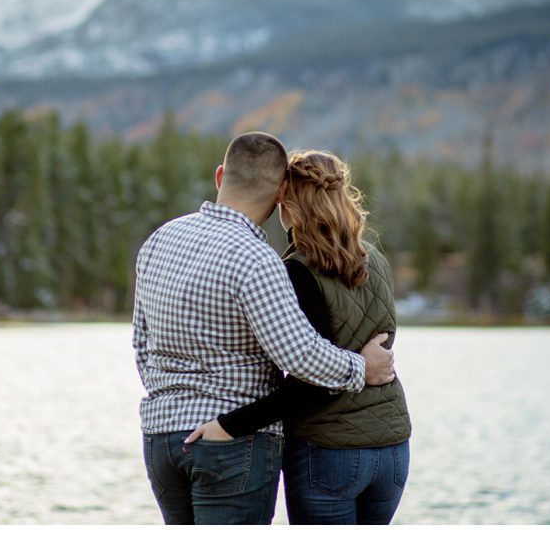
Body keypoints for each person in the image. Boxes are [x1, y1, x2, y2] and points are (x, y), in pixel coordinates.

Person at [133, 131, 398, 525]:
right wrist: (363, 368)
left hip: (161, 438)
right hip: (232, 443)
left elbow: (141, 344)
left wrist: (171, 400)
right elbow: (302, 355)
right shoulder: (258, 260)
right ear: (280, 194)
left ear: (220, 176)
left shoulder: (159, 240)